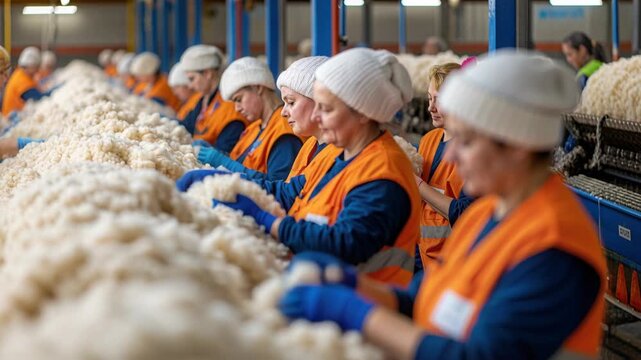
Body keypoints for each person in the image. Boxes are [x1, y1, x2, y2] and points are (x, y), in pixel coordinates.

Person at [277, 50, 606, 360]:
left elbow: (478, 355)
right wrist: (354, 286)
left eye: (465, 140)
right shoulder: (485, 215)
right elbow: (430, 295)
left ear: (517, 147)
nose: (450, 155)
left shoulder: (556, 245)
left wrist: (357, 314)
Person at [199, 49, 421, 286]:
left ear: (362, 113)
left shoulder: (382, 172)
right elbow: (289, 193)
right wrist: (224, 181)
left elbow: (345, 244)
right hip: (319, 288)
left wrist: (271, 223)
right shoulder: (336, 155)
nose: (316, 116)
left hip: (360, 304)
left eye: (325, 109)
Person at [197, 57, 303, 181]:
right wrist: (215, 154)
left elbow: (276, 188)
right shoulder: (255, 127)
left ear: (258, 88)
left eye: (239, 99)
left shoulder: (284, 133)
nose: (237, 108)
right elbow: (239, 160)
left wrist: (224, 163)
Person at [415, 62, 473, 271]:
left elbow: (466, 212)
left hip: (454, 264)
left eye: (439, 100)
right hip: (423, 259)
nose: (430, 107)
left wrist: (419, 185)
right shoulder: (428, 140)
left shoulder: (474, 151)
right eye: (430, 98)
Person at [179, 45, 247, 152]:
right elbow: (186, 126)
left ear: (207, 73)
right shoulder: (203, 100)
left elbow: (224, 152)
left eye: (192, 79)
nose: (190, 86)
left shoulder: (231, 108)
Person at [2, 47, 55, 117]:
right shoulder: (21, 80)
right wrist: (56, 90)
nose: (38, 69)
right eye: (36, 66)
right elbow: (37, 97)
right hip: (10, 118)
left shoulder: (21, 74)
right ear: (31, 66)